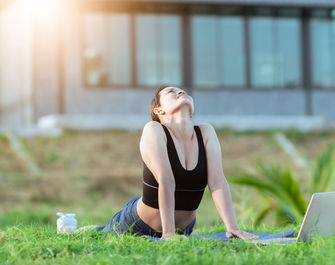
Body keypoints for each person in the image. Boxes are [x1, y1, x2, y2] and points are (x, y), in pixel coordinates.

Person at [96, 86, 258, 241]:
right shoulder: (154, 129)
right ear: (159, 110)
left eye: (183, 91)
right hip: (138, 224)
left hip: (184, 229)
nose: (180, 91)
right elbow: (166, 179)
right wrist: (168, 233)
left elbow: (218, 182)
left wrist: (233, 228)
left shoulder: (206, 132)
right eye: (171, 92)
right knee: (101, 234)